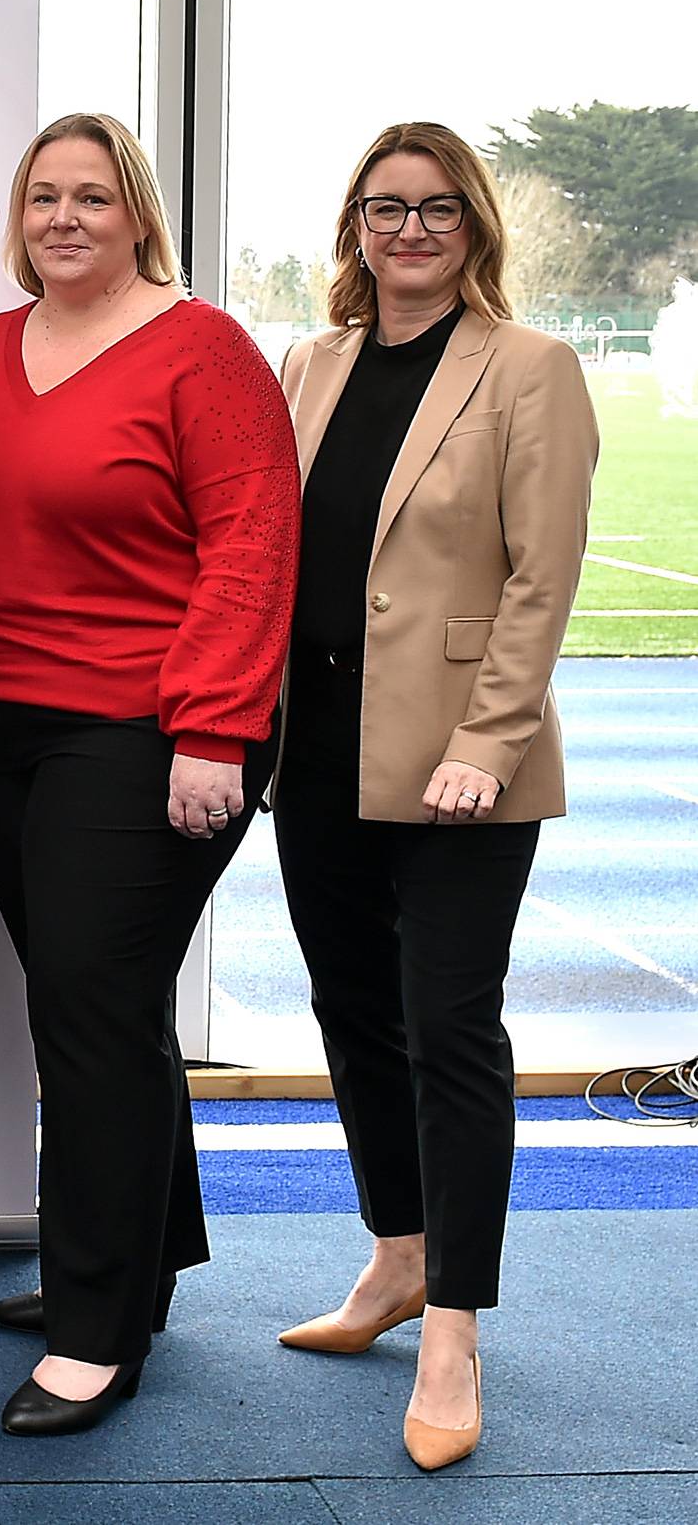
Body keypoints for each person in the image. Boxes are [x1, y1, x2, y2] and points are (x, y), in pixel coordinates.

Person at [0, 112, 299, 1435]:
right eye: (40, 198)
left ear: (135, 212)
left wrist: (211, 728)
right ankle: (141, 1264)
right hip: (1, 719)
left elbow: (251, 549)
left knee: (86, 1018)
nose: (63, 218)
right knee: (102, 1012)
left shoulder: (204, 351)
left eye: (90, 196)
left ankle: (95, 1330)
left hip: (146, 733)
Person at [271, 123, 599, 1473]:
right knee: (350, 1011)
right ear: (352, 225)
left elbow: (540, 576)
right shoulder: (313, 361)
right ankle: (395, 1256)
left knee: (446, 1026)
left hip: (464, 761)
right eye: (381, 208)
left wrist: (487, 736)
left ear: (471, 227)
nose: (406, 232)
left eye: (433, 211)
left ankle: (454, 1323)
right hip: (321, 752)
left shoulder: (530, 369)